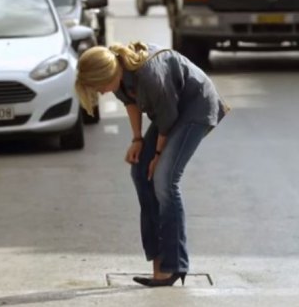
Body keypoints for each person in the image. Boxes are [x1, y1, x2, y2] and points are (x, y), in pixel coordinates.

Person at [74, 43, 229, 287]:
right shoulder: (118, 71)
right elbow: (130, 102)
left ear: (108, 75)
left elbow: (166, 120)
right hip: (171, 110)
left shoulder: (148, 75)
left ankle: (174, 265)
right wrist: (137, 139)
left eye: (98, 87)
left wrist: (157, 155)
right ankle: (159, 260)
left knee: (164, 179)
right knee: (140, 172)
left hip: (195, 108)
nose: (100, 93)